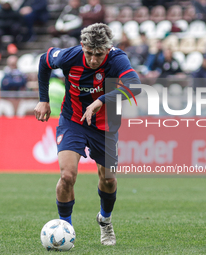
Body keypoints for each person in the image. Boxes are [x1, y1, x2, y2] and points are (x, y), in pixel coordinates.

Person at [34, 23, 140, 246]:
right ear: (82, 46)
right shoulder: (68, 57)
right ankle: (66, 228)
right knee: (67, 176)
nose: (93, 59)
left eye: (98, 54)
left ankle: (105, 220)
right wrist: (43, 99)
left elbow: (135, 85)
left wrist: (100, 101)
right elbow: (44, 61)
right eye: (89, 53)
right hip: (73, 121)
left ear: (108, 50)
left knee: (108, 180)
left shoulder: (116, 59)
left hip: (106, 125)